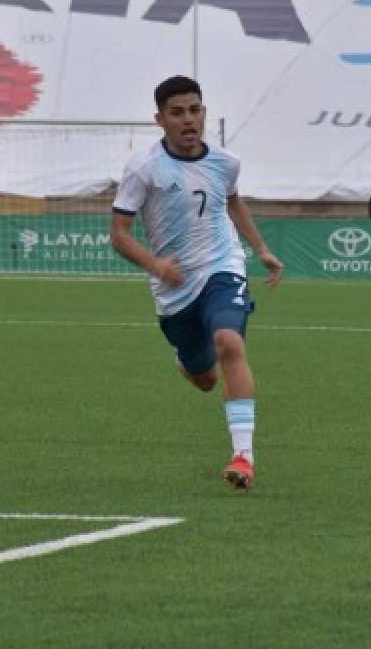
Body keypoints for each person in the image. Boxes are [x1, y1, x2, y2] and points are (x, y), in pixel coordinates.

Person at [110, 75, 283, 491]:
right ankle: (187, 362)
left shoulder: (226, 161)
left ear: (204, 112)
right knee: (204, 377)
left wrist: (260, 249)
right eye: (177, 113)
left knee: (229, 342)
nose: (188, 120)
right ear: (160, 119)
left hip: (223, 266)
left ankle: (243, 457)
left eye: (194, 110)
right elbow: (118, 233)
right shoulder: (144, 168)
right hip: (174, 290)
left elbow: (233, 200)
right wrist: (156, 266)